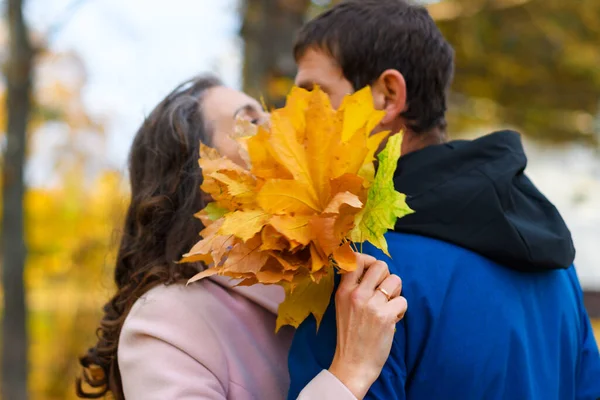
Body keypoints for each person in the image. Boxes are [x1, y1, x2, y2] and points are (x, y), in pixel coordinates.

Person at [287, 1, 600, 399]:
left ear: (387, 95)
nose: (295, 121)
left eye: (314, 95)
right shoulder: (553, 257)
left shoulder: (364, 272)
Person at [76, 76, 408, 400]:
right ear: (204, 180)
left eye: (268, 112)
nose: (278, 123)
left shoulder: (334, 272)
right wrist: (349, 375)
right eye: (249, 120)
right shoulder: (165, 321)